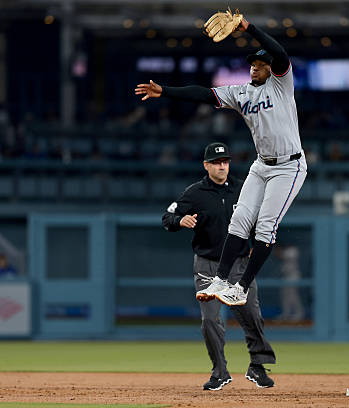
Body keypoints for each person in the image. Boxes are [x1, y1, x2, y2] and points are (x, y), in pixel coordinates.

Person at [136, 13, 307, 307]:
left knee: (265, 226)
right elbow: (202, 94)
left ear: (271, 69)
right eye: (253, 64)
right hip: (262, 164)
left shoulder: (281, 85)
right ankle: (221, 279)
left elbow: (279, 52)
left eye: (261, 64)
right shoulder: (240, 93)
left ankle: (241, 287)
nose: (256, 67)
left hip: (289, 166)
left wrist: (248, 27)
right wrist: (164, 91)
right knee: (240, 219)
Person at [162, 142, 276, 391]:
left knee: (252, 316)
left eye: (225, 161)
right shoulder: (194, 193)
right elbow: (167, 218)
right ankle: (220, 371)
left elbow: (259, 218)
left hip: (239, 265)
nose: (222, 165)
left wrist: (255, 240)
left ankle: (257, 367)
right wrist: (180, 220)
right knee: (211, 321)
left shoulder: (243, 189)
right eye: (216, 162)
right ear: (206, 165)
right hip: (207, 265)